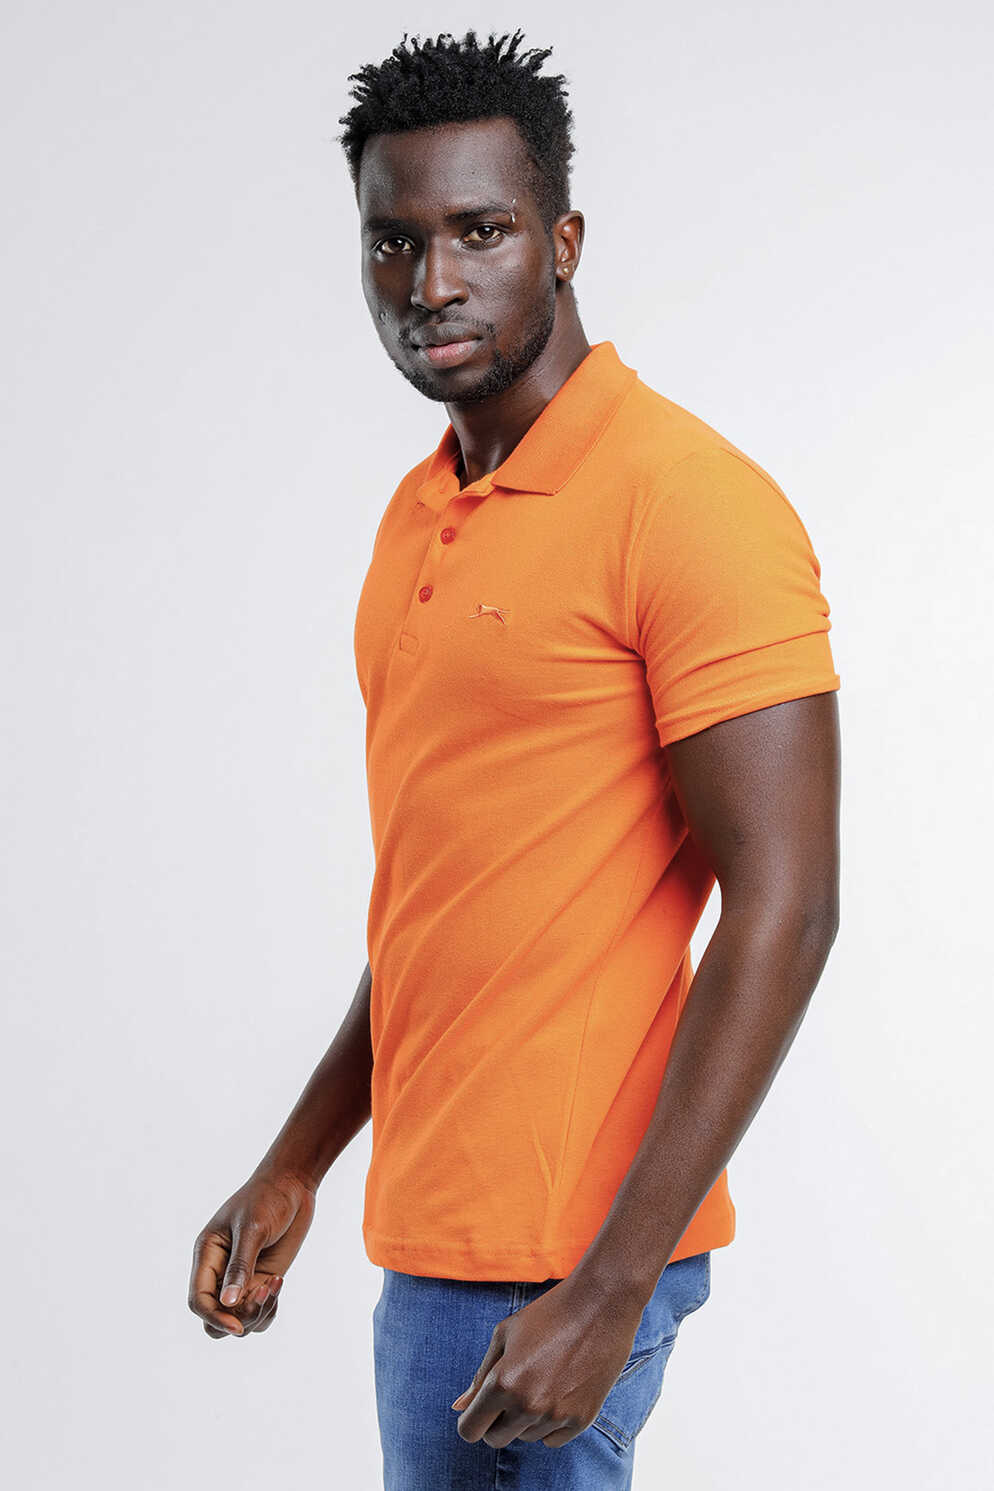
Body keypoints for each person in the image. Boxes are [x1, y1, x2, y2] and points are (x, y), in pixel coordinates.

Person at [188, 27, 842, 1490]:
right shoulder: (421, 509)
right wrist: (298, 1158)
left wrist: (607, 1289)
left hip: (561, 1264)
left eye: (479, 231)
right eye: (393, 241)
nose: (431, 282)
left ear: (563, 239)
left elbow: (789, 907)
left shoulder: (687, 503)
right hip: (438, 1240)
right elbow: (451, 902)